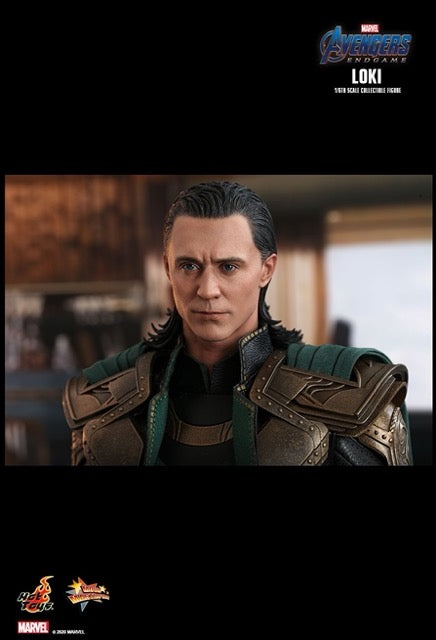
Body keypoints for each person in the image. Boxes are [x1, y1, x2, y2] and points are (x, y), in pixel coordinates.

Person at [62, 181, 412, 466]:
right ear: (168, 268)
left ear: (266, 270)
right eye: (189, 266)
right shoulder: (104, 398)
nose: (207, 289)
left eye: (228, 267)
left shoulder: (355, 393)